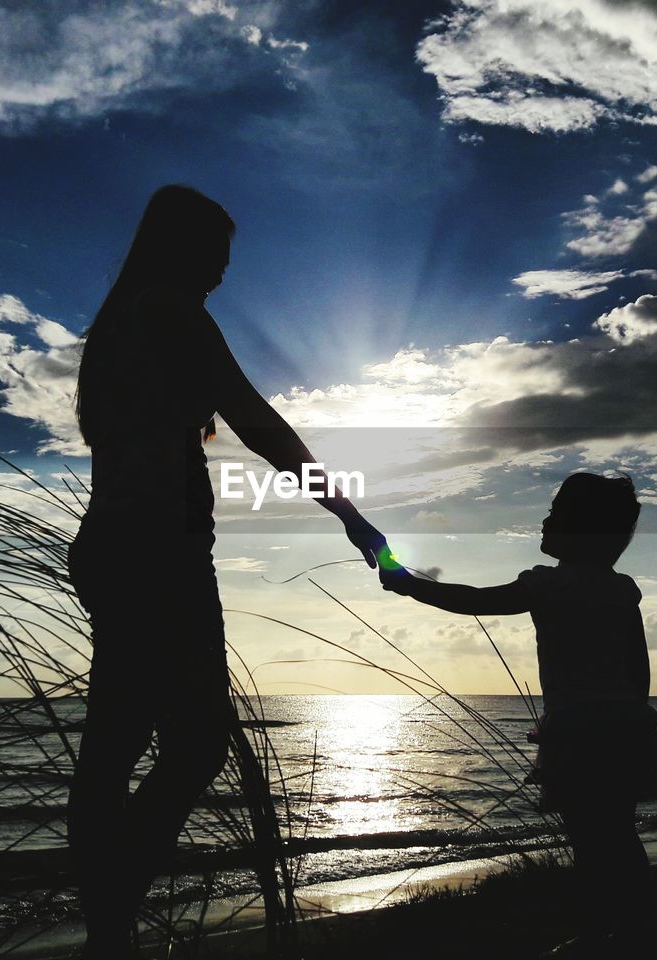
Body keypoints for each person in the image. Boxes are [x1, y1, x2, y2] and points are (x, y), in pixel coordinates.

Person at [66, 185, 385, 957]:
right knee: (190, 743)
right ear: (181, 249)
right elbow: (255, 418)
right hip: (155, 554)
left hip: (117, 546)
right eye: (214, 257)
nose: (221, 276)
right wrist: (347, 512)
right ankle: (111, 919)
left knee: (119, 741)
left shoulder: (121, 324)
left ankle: (108, 922)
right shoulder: (169, 309)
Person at [378, 472, 657, 953]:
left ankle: (602, 935)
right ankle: (634, 926)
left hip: (578, 731)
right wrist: (635, 718)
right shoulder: (623, 589)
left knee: (590, 840)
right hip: (624, 728)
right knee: (617, 833)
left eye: (556, 512)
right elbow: (639, 669)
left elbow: (473, 600)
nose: (545, 518)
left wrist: (410, 585)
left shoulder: (546, 584)